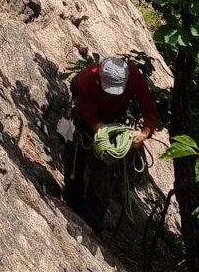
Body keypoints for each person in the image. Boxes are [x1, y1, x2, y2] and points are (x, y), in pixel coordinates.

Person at [63, 55, 159, 233]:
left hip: (113, 123)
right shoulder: (87, 78)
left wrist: (145, 133)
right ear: (100, 75)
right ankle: (72, 205)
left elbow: (149, 108)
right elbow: (89, 112)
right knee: (74, 165)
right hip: (84, 123)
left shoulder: (135, 77)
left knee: (103, 176)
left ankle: (93, 223)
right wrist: (102, 132)